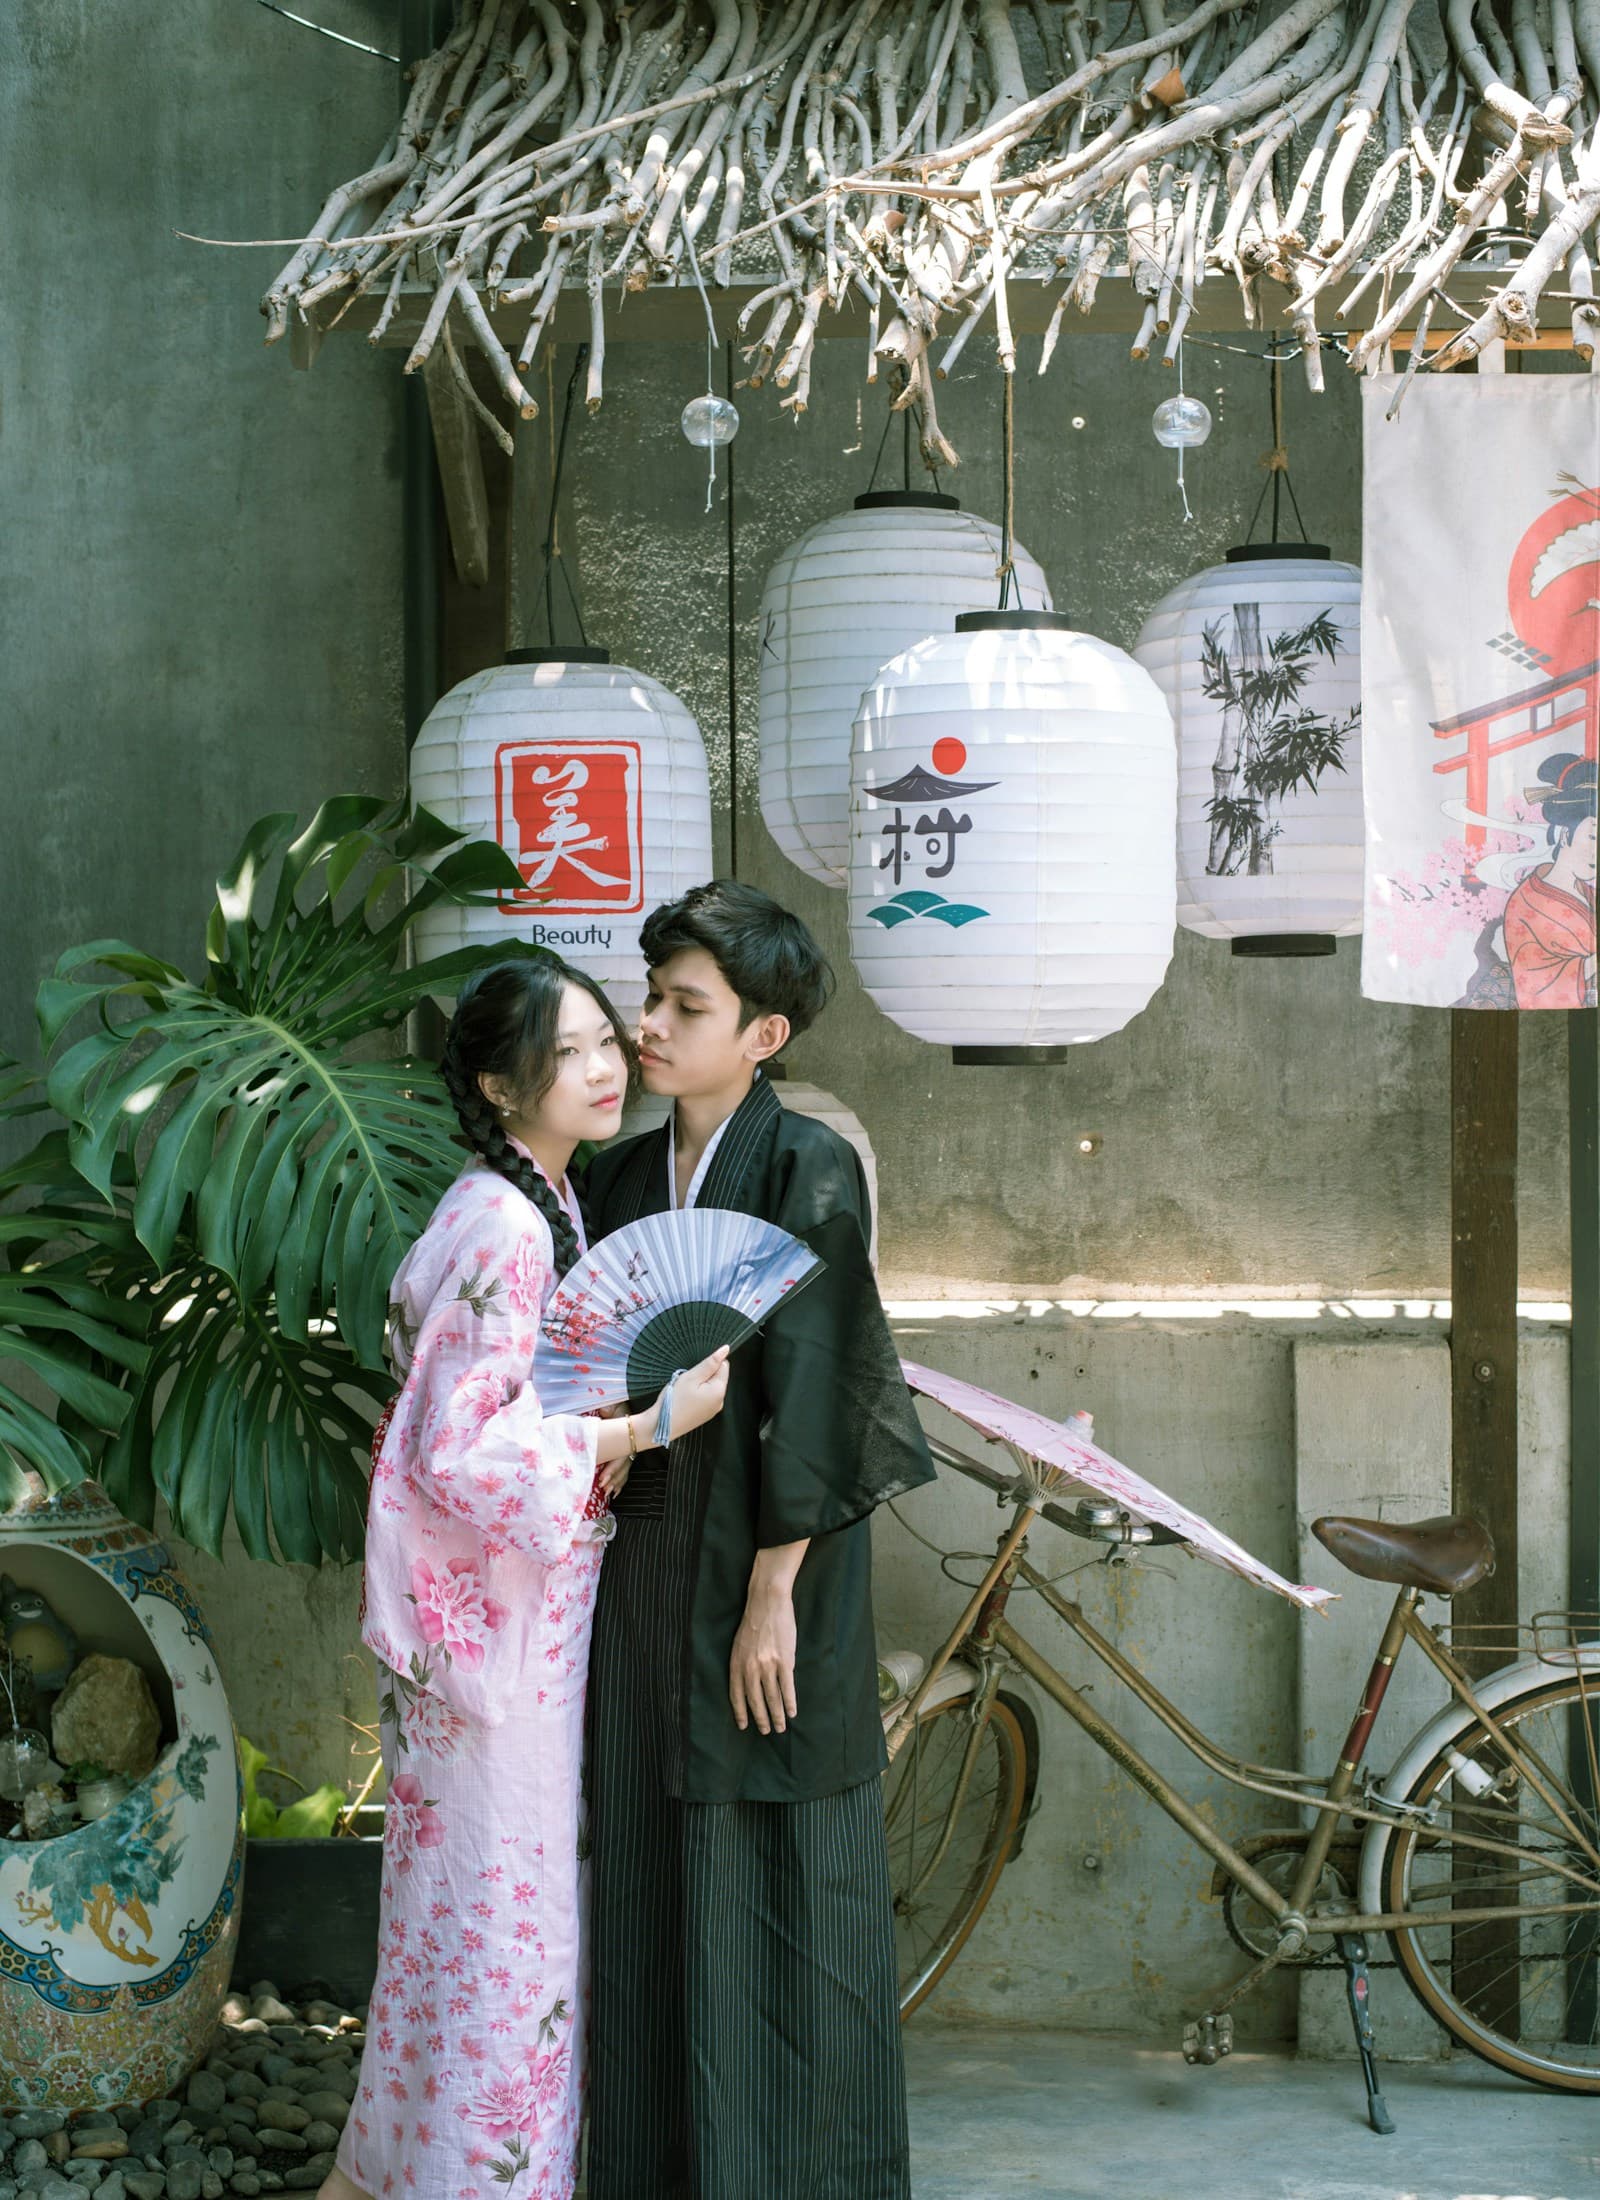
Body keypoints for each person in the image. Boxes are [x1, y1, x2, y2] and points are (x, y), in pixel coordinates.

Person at [323, 959, 729, 2200]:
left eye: (608, 1039)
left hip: (509, 1625)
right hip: (495, 1643)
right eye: (570, 1053)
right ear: (503, 1084)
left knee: (463, 1924)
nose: (605, 1066)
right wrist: (638, 1429)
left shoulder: (538, 1198)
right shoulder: (504, 1223)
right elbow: (459, 1447)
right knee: (506, 1935)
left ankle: (387, 2176)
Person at [581, 881, 936, 2200]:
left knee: (782, 1871)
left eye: (687, 1008)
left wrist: (773, 1594)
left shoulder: (804, 1167)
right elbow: (589, 1372)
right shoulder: (624, 1172)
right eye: (653, 1000)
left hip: (763, 1560)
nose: (651, 1027)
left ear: (765, 1038)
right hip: (640, 1559)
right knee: (646, 1859)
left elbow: (823, 1376)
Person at [1503, 753, 1598, 1007]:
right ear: (1565, 833)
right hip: (1553, 1027)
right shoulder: (1526, 903)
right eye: (1592, 837)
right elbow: (1533, 982)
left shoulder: (1588, 894)